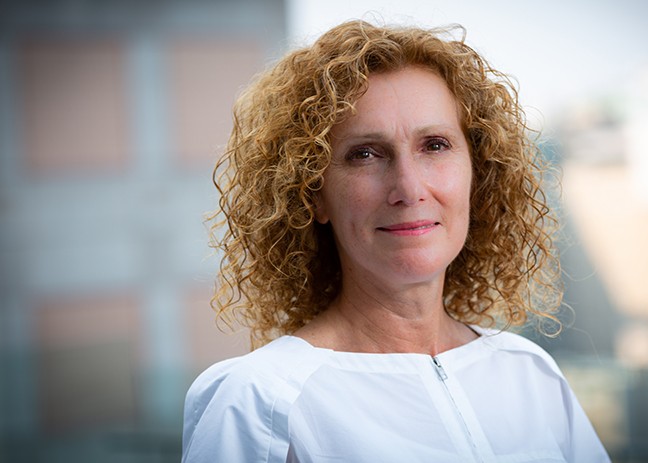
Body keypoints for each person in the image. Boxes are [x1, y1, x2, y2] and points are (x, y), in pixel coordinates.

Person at [182, 20, 610, 462]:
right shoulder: (259, 401)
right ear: (312, 194)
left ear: (476, 174)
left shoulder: (529, 373)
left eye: (436, 145)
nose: (409, 187)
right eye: (365, 153)